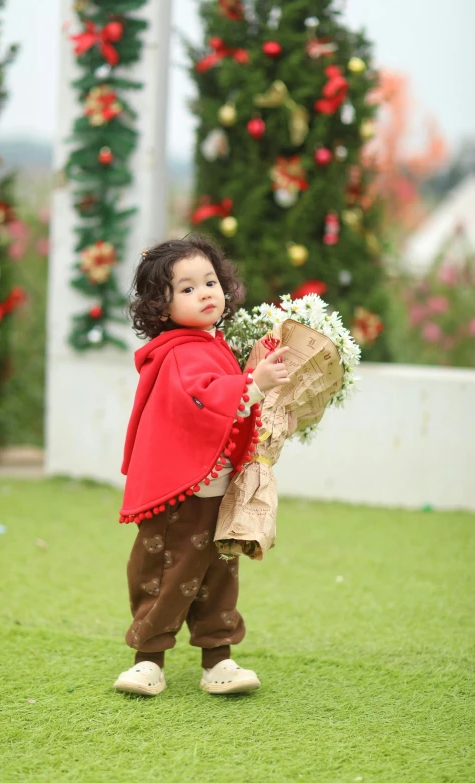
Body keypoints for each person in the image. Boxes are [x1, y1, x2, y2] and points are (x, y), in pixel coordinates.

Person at [113, 234, 289, 696]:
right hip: (182, 492)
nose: (205, 292)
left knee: (218, 575)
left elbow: (225, 396)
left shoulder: (211, 344)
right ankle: (148, 659)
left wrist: (254, 375)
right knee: (166, 573)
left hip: (214, 488)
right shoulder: (180, 351)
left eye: (210, 281)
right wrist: (254, 382)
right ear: (161, 305)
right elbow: (204, 398)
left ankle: (219, 660)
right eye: (187, 288)